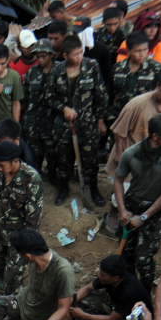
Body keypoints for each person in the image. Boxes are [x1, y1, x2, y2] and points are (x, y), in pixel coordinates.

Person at [110, 114, 161, 287]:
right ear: (154, 136)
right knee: (125, 254)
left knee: (144, 258)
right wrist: (122, 209)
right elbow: (119, 180)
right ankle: (127, 287)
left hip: (154, 209)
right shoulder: (131, 153)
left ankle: (144, 292)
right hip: (131, 204)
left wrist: (144, 217)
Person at [47, 34, 109, 206]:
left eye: (81, 52)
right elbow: (49, 97)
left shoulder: (91, 66)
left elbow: (101, 95)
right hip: (63, 126)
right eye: (76, 54)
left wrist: (100, 120)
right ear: (65, 55)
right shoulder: (56, 71)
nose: (80, 57)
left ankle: (94, 189)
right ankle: (64, 189)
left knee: (90, 160)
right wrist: (63, 108)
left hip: (87, 124)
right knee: (64, 161)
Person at [0, 142, 43, 297]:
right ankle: (0, 273)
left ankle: (14, 299)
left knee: (14, 273)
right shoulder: (1, 173)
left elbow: (33, 219)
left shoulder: (31, 179)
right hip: (1, 227)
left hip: (19, 235)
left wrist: (24, 246)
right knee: (0, 256)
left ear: (15, 161)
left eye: (1, 165)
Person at [70, 254, 153, 320]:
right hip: (116, 308)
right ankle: (92, 315)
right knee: (83, 300)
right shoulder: (108, 278)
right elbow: (86, 289)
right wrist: (68, 305)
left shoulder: (129, 291)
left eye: (102, 275)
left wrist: (83, 315)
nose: (99, 276)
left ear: (115, 278)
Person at [105, 73, 161, 180]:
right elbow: (119, 131)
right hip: (130, 153)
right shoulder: (136, 105)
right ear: (157, 85)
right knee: (123, 188)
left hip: (150, 158)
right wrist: (119, 154)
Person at [108, 31, 161, 121]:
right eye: (138, 51)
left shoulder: (156, 68)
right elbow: (109, 93)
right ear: (128, 51)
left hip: (145, 119)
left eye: (145, 50)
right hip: (120, 117)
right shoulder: (117, 68)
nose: (142, 54)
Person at [22, 38, 56, 178]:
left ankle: (54, 177)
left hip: (52, 121)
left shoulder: (59, 70)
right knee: (34, 155)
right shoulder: (32, 72)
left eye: (43, 56)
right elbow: (25, 95)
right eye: (38, 56)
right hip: (33, 121)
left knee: (53, 153)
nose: (40, 60)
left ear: (51, 55)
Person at [94, 6, 128, 71]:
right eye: (109, 24)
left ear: (119, 21)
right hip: (99, 69)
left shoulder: (124, 36)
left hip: (116, 69)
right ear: (103, 22)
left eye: (115, 24)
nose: (112, 27)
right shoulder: (95, 34)